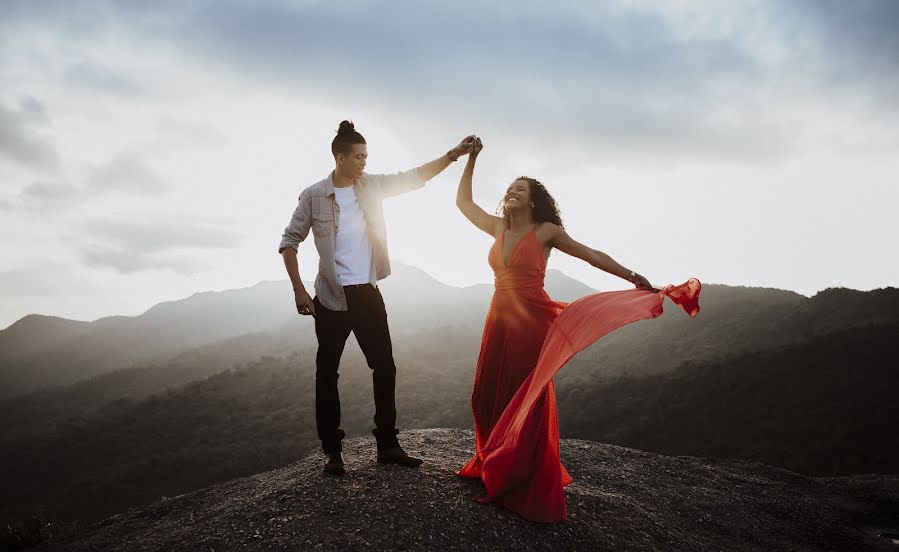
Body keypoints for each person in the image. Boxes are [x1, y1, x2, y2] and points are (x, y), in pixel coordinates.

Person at [455, 138, 700, 522]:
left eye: (520, 189)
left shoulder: (545, 231)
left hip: (530, 318)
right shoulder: (498, 227)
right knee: (484, 395)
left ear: (533, 200)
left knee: (524, 394)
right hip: (498, 316)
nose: (512, 193)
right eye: (509, 189)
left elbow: (589, 254)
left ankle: (521, 475)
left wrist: (632, 275)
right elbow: (464, 204)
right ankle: (493, 460)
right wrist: (471, 158)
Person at [279, 120, 475, 475]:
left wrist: (452, 155)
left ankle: (387, 444)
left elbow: (414, 177)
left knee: (384, 367)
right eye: (358, 157)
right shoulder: (313, 196)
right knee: (327, 374)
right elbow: (289, 242)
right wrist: (298, 289)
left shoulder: (371, 187)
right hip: (331, 299)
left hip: (368, 294)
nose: (364, 163)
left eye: (366, 157)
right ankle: (333, 453)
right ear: (340, 157)